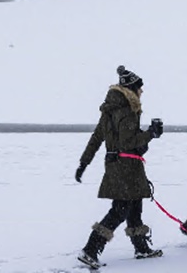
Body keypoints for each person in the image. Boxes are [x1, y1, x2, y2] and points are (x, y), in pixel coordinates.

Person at [74, 66, 165, 269]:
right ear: (131, 89)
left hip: (119, 166)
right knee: (120, 210)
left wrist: (83, 163)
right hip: (126, 168)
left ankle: (141, 248)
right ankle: (90, 250)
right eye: (139, 88)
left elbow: (97, 137)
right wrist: (151, 133)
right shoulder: (127, 110)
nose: (142, 92)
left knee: (134, 209)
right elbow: (128, 141)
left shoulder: (110, 110)